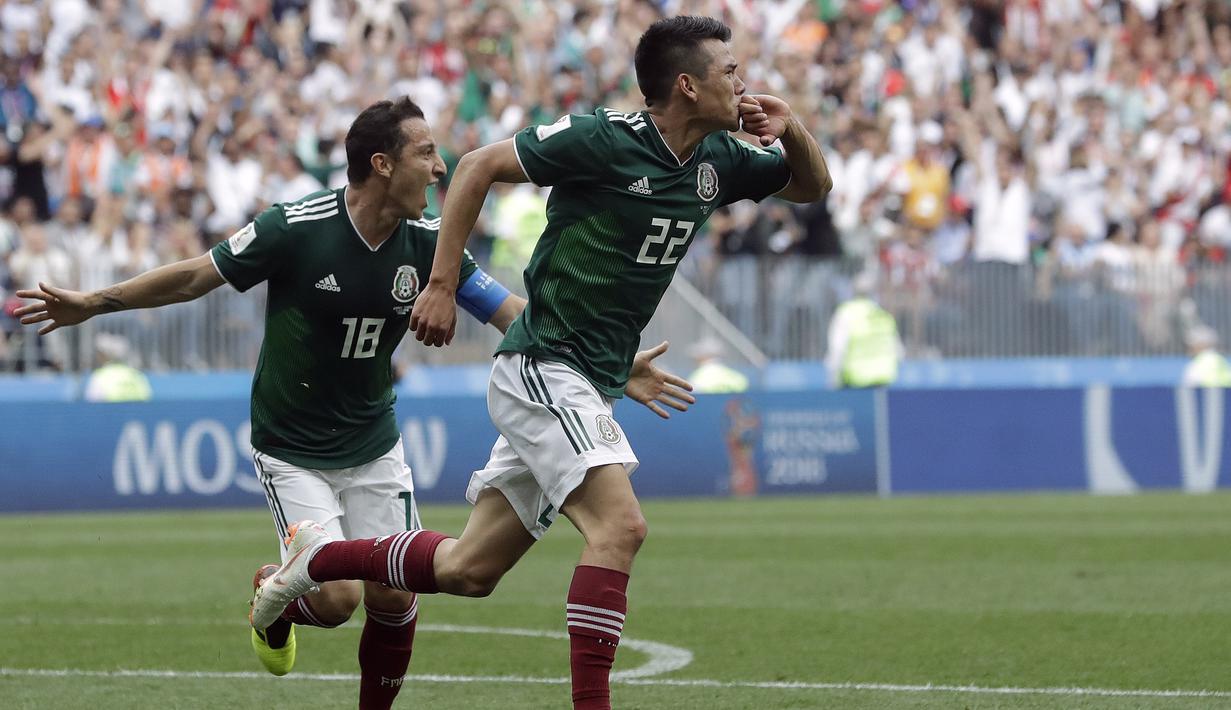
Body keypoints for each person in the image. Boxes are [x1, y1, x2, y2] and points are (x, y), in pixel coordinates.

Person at [15, 97, 693, 710]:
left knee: (396, 597)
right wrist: (94, 304)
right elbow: (197, 276)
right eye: (425, 153)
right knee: (337, 603)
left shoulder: (430, 246)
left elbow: (502, 309)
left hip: (373, 441)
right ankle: (275, 601)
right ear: (381, 162)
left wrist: (595, 359)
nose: (439, 168)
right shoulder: (296, 227)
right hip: (293, 448)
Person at [249, 16, 831, 710]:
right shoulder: (603, 140)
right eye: (729, 70)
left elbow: (809, 187)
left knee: (469, 570)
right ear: (687, 84)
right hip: (544, 368)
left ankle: (311, 564)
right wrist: (438, 283)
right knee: (620, 528)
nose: (742, 81)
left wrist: (790, 127)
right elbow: (477, 165)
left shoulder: (719, 160)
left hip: (589, 381)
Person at [826, 272, 902, 389]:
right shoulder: (883, 315)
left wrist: (833, 379)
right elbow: (899, 352)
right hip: (883, 380)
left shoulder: (846, 313)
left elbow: (837, 348)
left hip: (855, 381)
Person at [82, 333, 151, 402]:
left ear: (105, 355)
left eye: (99, 353)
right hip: (136, 412)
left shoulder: (100, 376)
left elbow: (93, 402)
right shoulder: (136, 374)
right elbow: (146, 397)